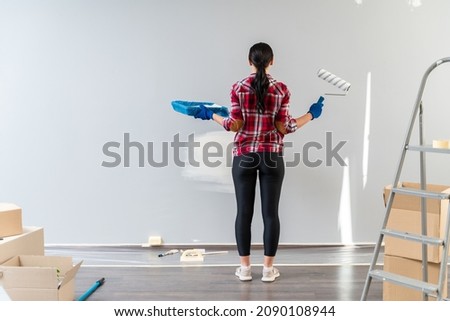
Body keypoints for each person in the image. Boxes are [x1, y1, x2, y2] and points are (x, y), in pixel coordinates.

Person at [194, 42, 324, 282]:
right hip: (272, 156)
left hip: (243, 156)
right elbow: (284, 127)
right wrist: (311, 115)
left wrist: (209, 113)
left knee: (243, 213)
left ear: (249, 61)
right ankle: (267, 270)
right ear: (272, 61)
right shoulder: (282, 89)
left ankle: (244, 269)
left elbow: (234, 125)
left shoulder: (238, 87)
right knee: (270, 214)